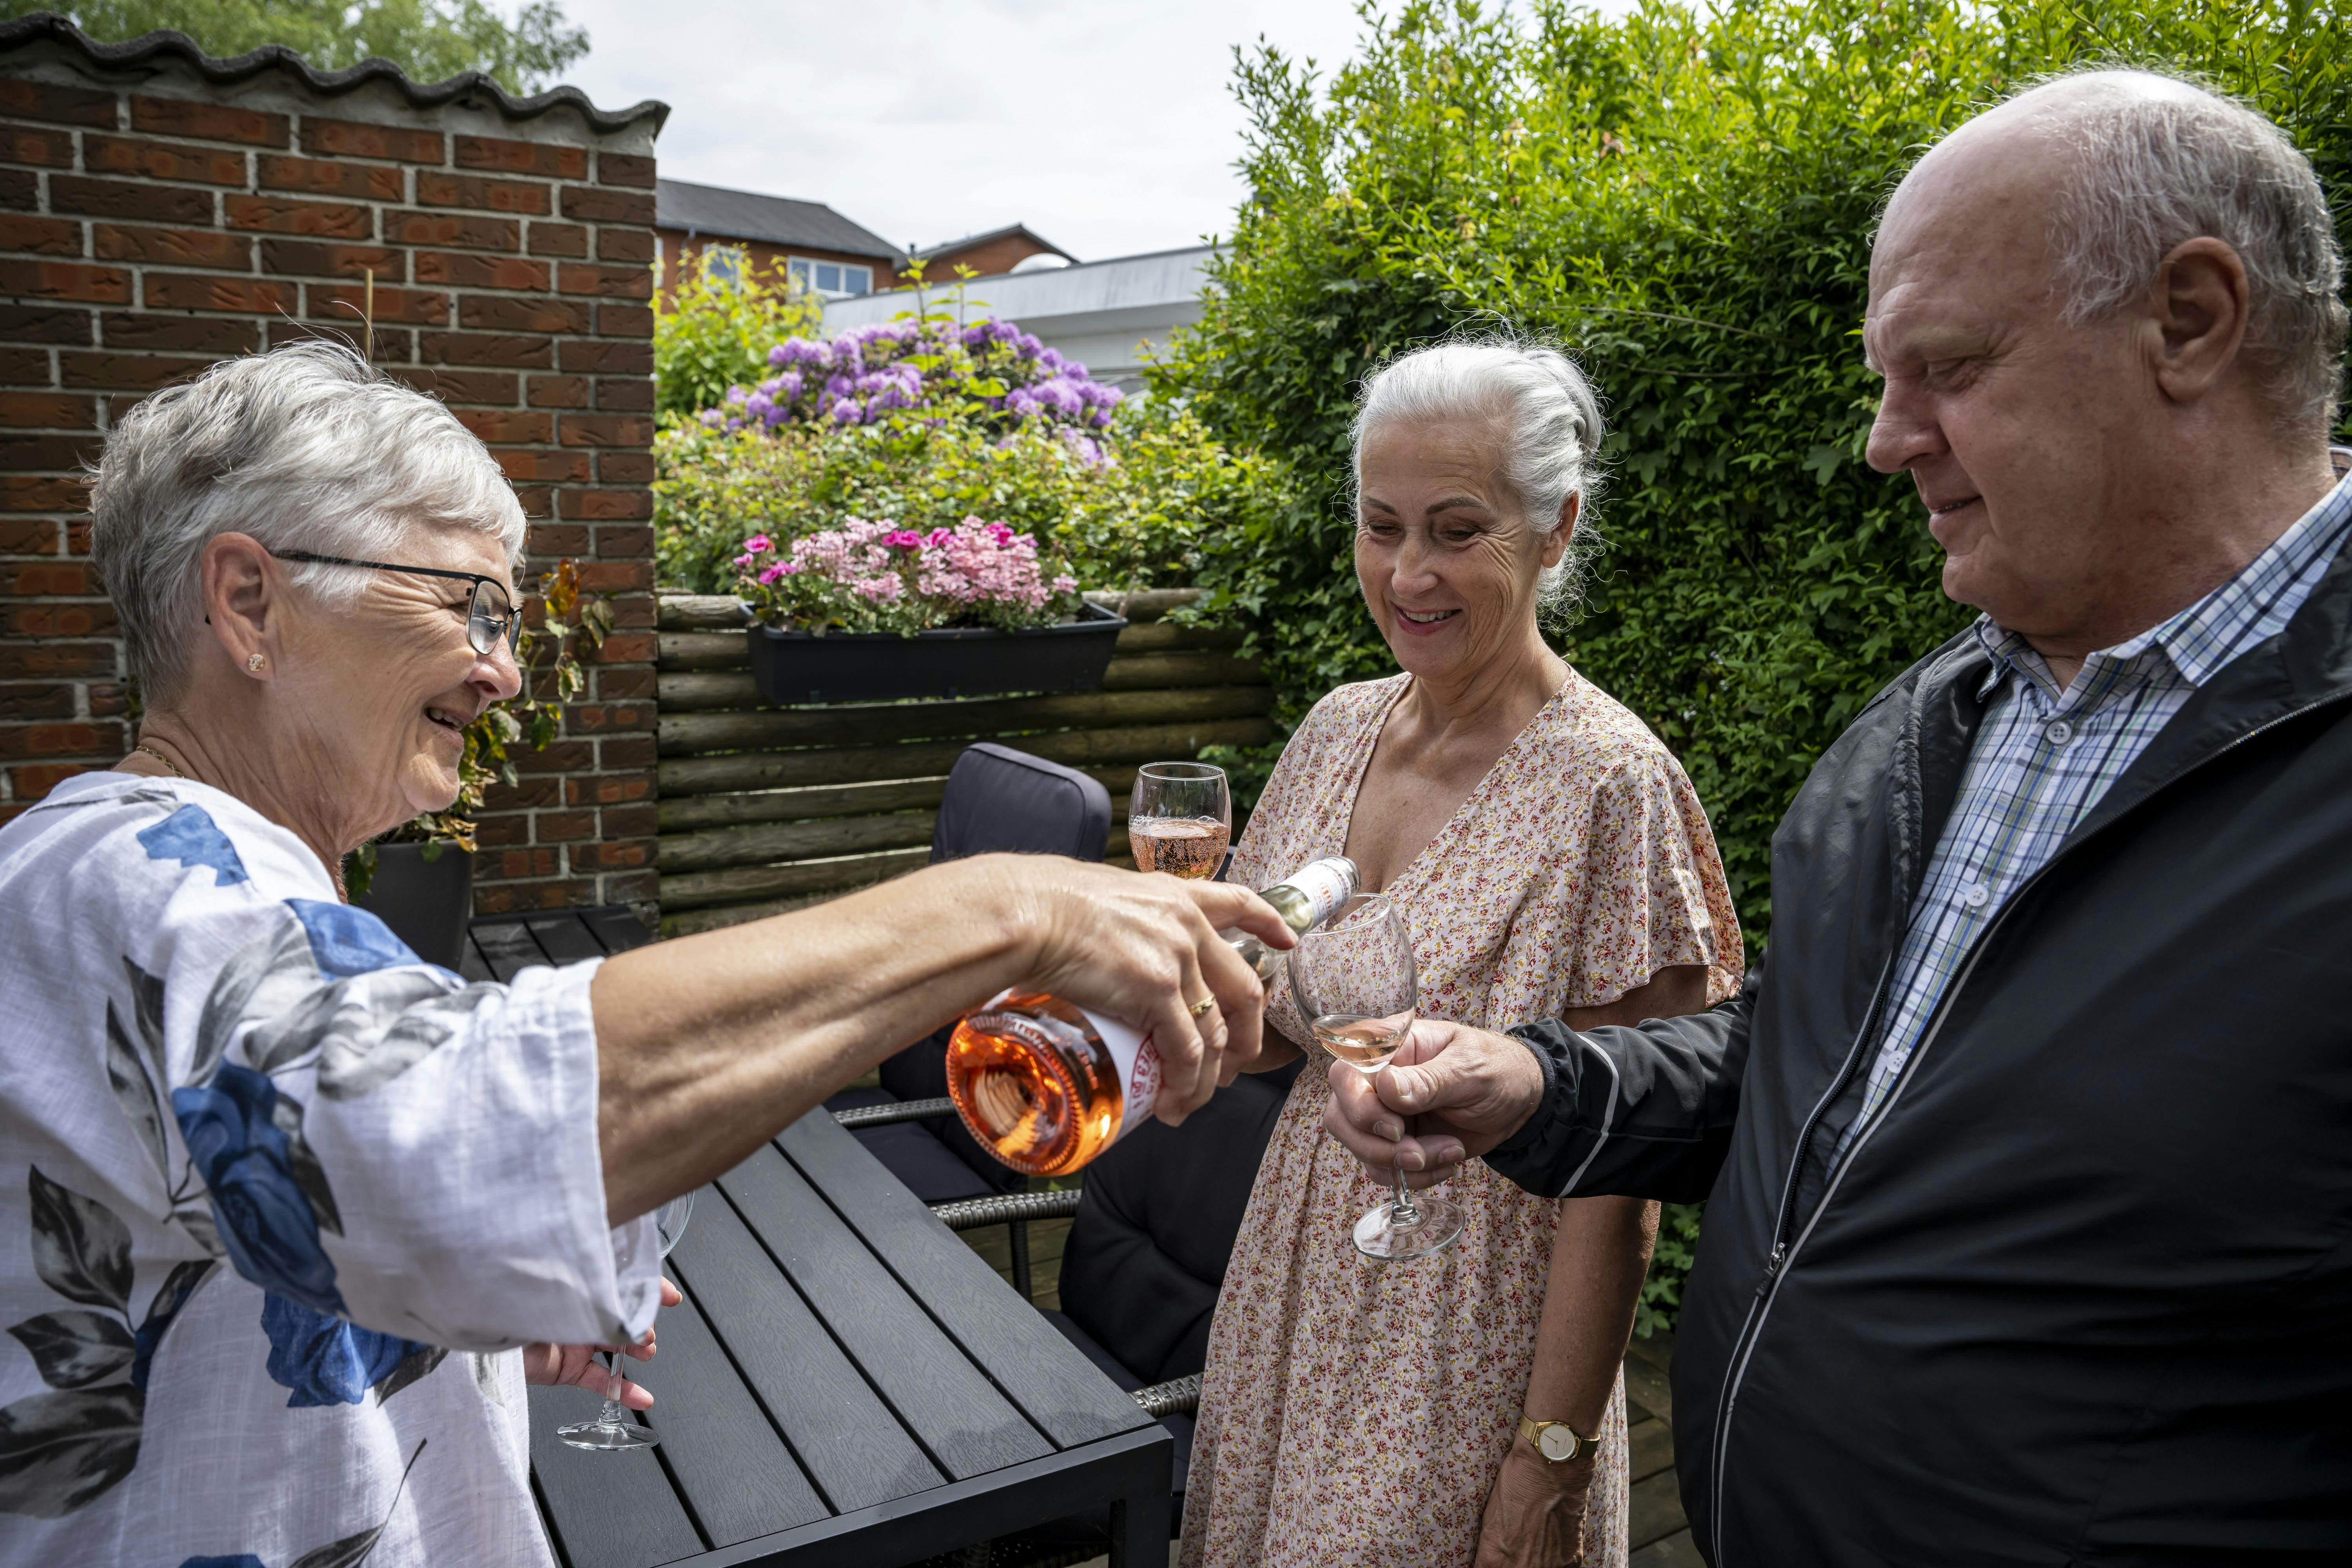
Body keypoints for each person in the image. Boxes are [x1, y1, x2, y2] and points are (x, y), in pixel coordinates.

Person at [0, 341, 1290, 1565]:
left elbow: (290, 1214)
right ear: (249, 600)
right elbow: (440, 1130)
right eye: (472, 606)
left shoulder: (207, 885)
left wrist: (451, 1341)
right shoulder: (133, 879)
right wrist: (1011, 909)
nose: (503, 674)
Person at [1323, 68, 2352, 1565]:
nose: (1885, 438)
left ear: (2189, 323)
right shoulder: (1941, 715)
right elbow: (1810, 1062)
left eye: (1946, 366)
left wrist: (1548, 1449)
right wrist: (1543, 1087)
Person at [1180, 340, 1742, 1568]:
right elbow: (1271, 1027)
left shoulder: (1615, 786)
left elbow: (1625, 1174)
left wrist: (1550, 1457)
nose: (1407, 574)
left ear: (1556, 528)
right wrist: (1165, 1015)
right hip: (1291, 1289)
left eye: (1456, 529)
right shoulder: (1336, 727)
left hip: (1470, 1341)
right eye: (1381, 526)